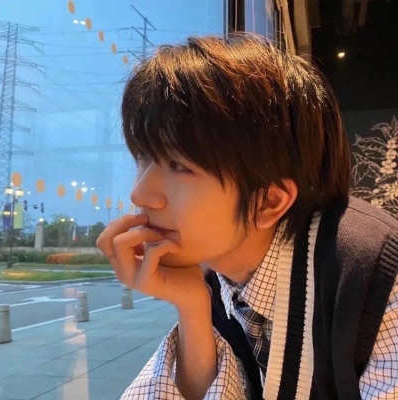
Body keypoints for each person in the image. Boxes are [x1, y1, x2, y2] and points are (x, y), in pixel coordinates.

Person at [96, 34, 398, 400]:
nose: (140, 194)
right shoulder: (215, 277)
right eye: (143, 158)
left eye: (179, 165)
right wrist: (191, 306)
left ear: (268, 202)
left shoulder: (376, 278)